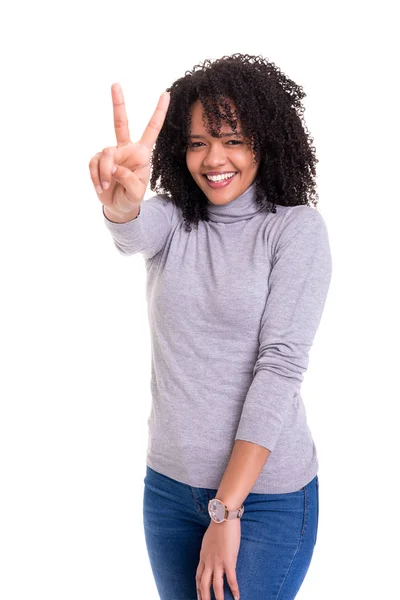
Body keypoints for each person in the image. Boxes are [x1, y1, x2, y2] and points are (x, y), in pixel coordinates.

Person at [89, 53, 332, 600]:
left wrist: (227, 510)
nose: (214, 159)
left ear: (265, 141)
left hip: (266, 499)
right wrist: (122, 204)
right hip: (170, 495)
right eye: (198, 142)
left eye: (233, 139)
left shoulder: (294, 232)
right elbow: (131, 230)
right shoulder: (175, 222)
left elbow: (279, 369)